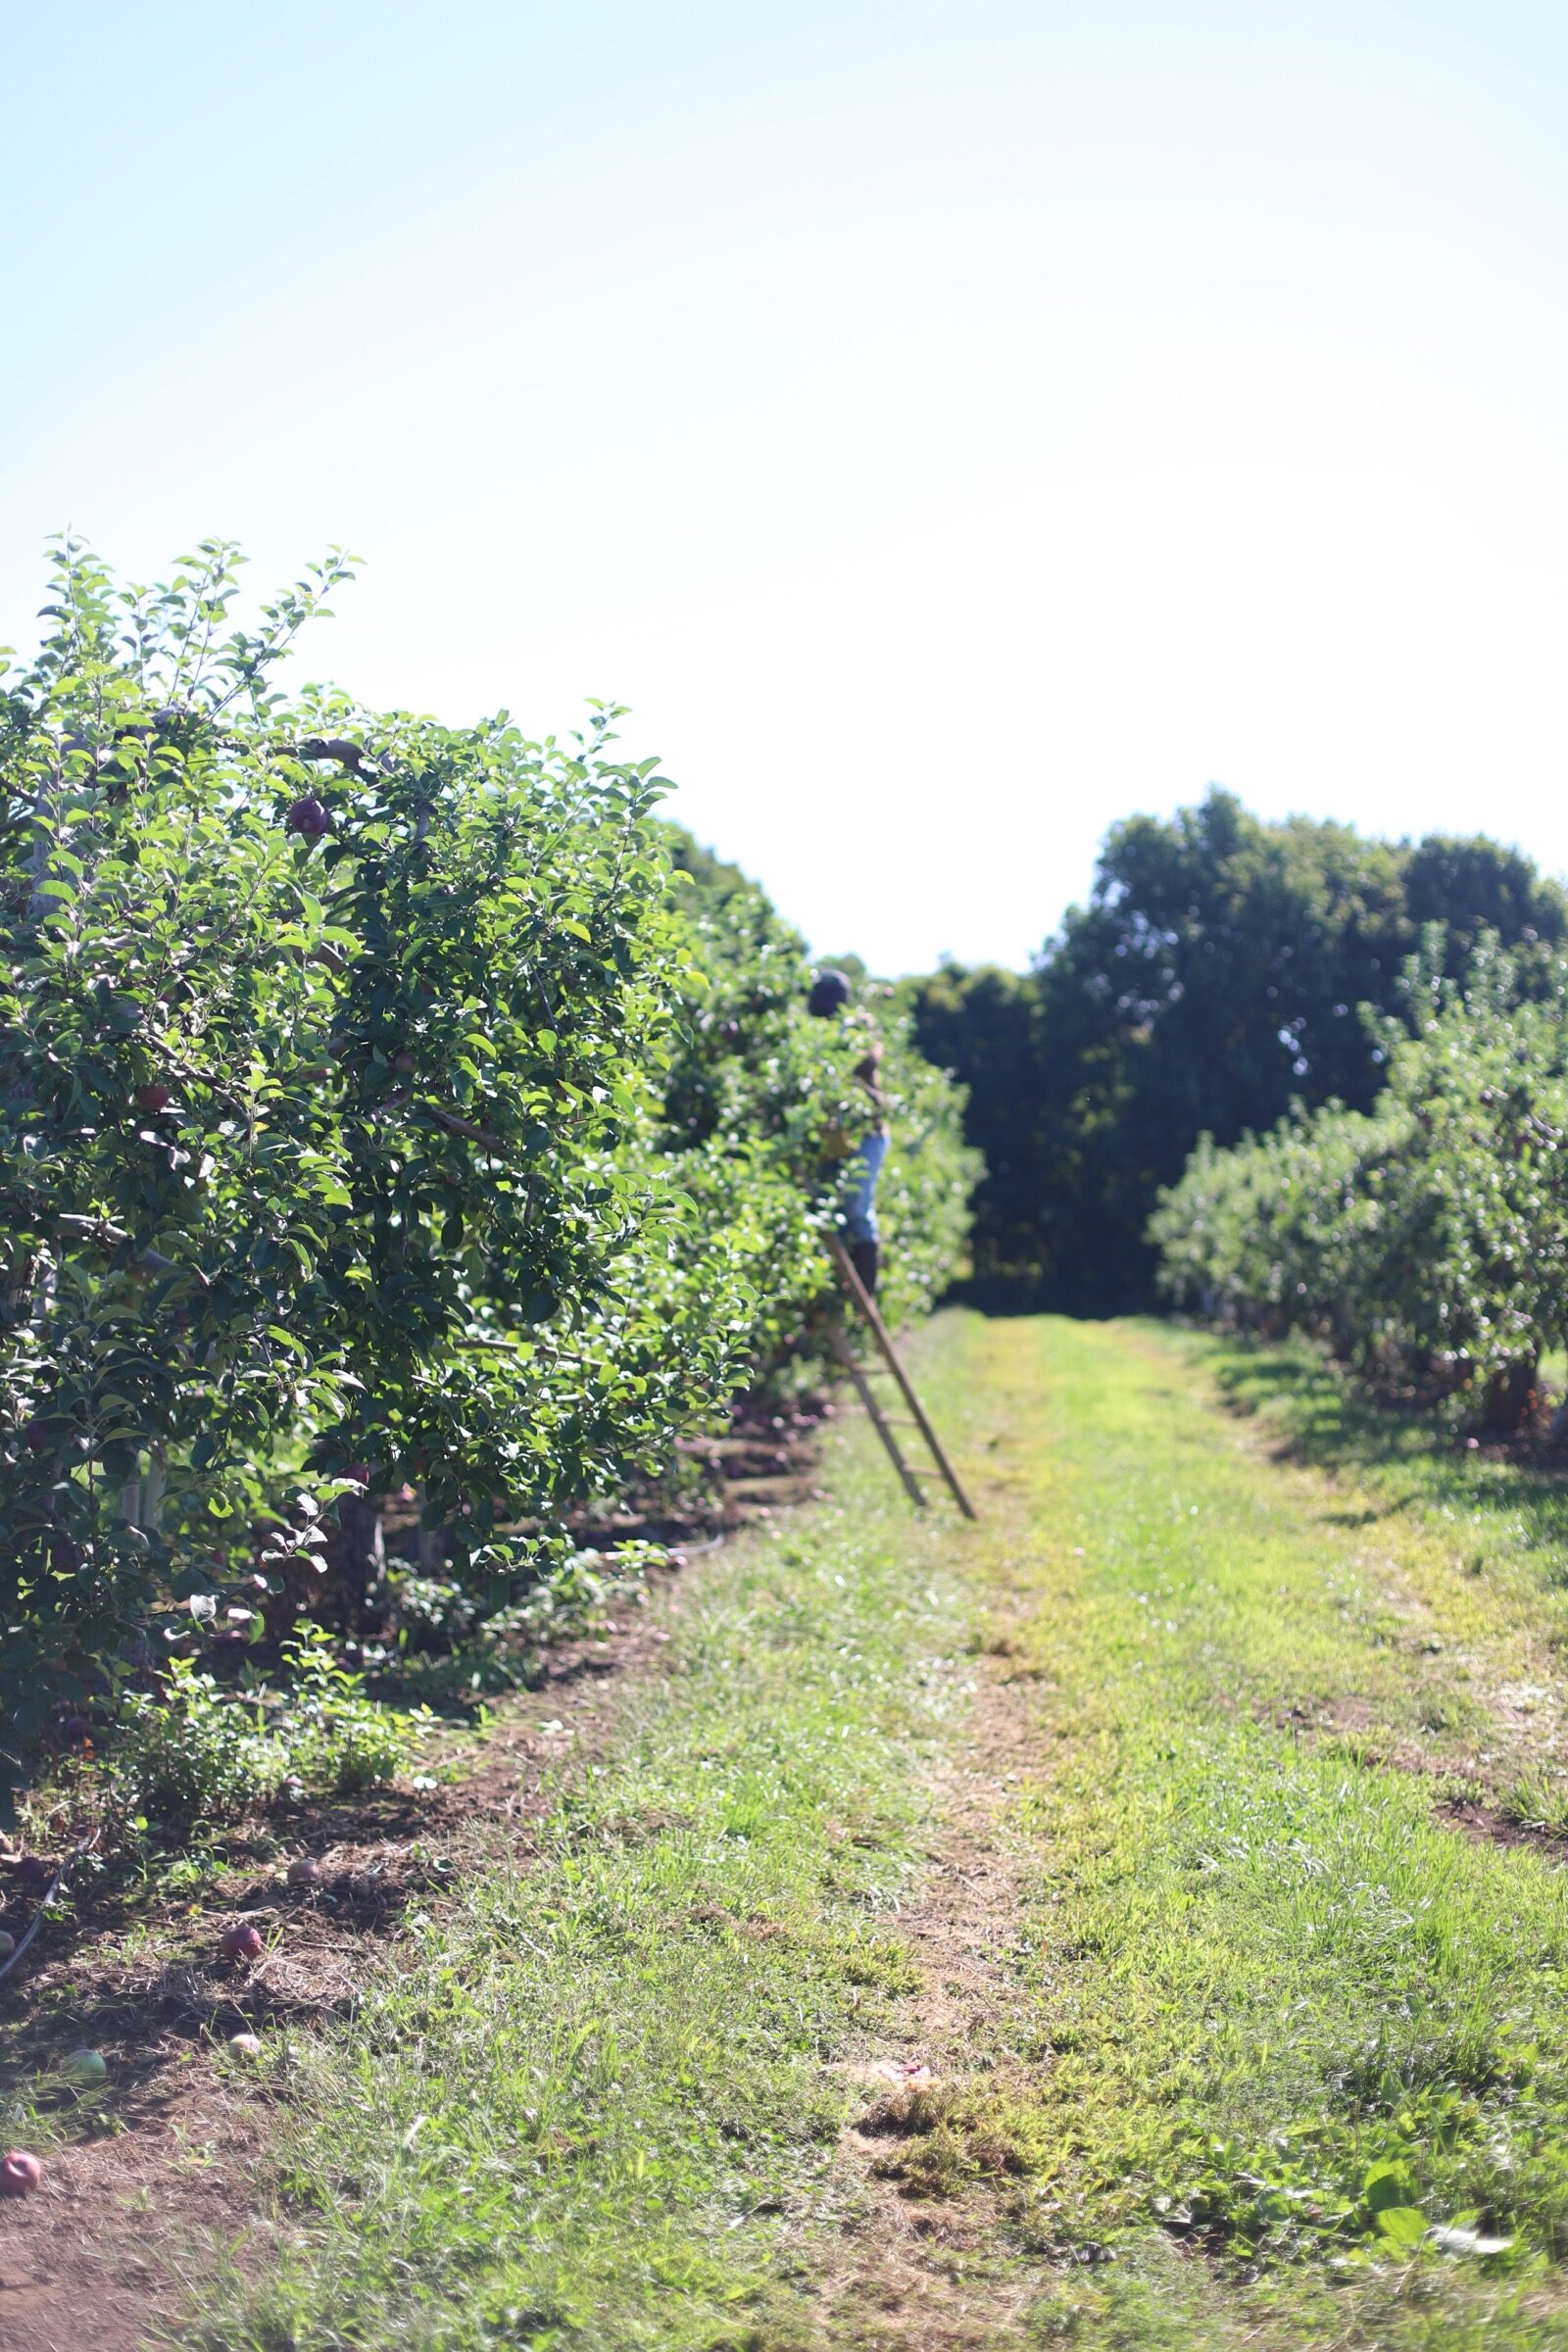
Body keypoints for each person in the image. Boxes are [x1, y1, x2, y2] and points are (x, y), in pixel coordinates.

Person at [808, 966, 888, 1296]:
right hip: (834, 1137)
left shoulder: (859, 1027)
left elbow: (867, 1062)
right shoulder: (811, 1033)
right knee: (828, 1209)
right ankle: (837, 1289)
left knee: (856, 1207)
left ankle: (864, 1293)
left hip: (867, 1132)